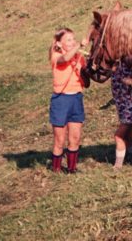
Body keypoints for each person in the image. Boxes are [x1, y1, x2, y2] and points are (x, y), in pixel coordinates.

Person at [49, 27, 88, 173]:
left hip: (76, 98)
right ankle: (56, 169)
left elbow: (86, 74)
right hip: (61, 100)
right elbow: (64, 59)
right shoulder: (55, 55)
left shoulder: (80, 57)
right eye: (69, 40)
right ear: (59, 44)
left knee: (75, 138)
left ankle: (72, 169)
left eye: (73, 39)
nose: (72, 42)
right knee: (59, 140)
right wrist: (79, 46)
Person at [111, 58, 132, 169]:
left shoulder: (128, 66)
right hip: (127, 107)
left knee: (119, 136)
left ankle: (118, 165)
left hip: (130, 109)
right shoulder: (120, 66)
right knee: (128, 134)